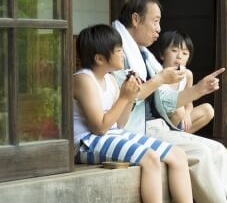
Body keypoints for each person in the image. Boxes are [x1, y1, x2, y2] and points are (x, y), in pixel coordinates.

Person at [112, 0, 227, 203]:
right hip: (138, 130)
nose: (159, 29)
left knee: (218, 149)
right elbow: (127, 96)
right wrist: (161, 78)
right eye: (155, 21)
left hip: (158, 125)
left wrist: (198, 89)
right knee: (201, 154)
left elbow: (165, 100)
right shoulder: (117, 49)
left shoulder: (144, 54)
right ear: (136, 19)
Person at [73, 24, 194, 203]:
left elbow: (120, 124)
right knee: (150, 158)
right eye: (119, 50)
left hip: (112, 135)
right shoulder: (84, 79)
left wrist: (129, 97)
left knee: (178, 155)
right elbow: (99, 128)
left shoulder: (110, 79)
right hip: (86, 142)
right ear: (99, 58)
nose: (123, 54)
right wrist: (124, 97)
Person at [150, 30, 215, 134]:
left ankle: (178, 137)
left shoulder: (187, 75)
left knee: (208, 110)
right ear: (162, 54)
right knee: (179, 110)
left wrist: (187, 113)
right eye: (175, 50)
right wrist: (181, 111)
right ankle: (171, 137)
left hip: (179, 120)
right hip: (160, 122)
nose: (179, 56)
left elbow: (189, 103)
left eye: (185, 53)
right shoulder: (156, 73)